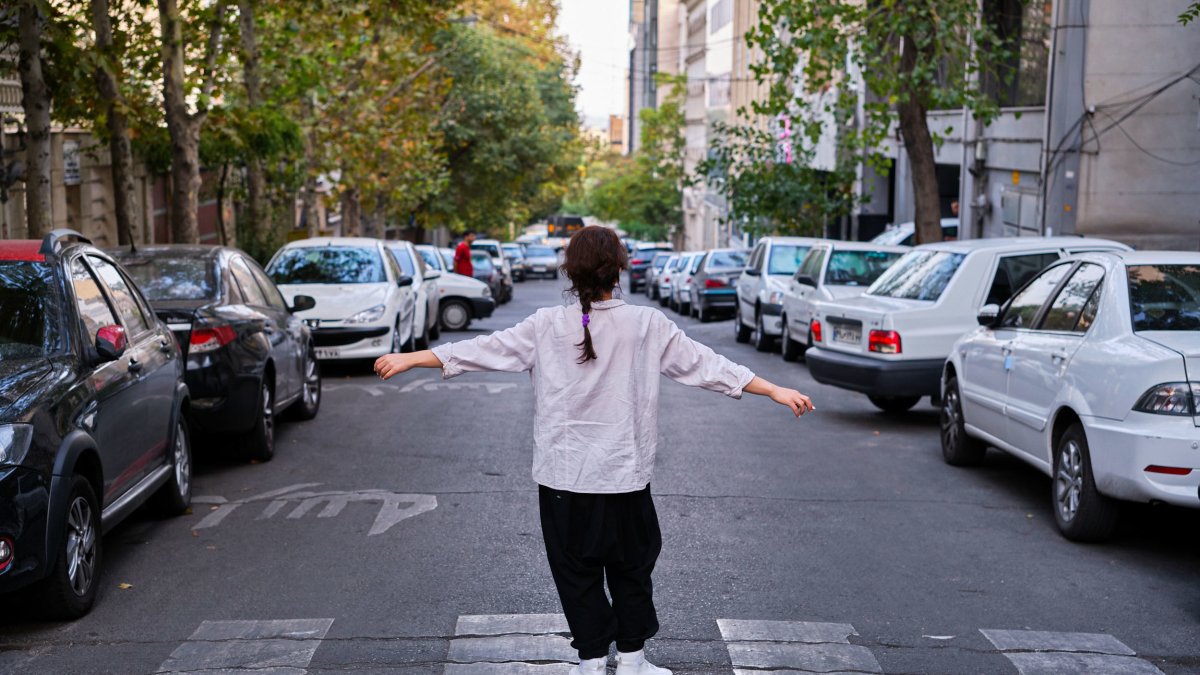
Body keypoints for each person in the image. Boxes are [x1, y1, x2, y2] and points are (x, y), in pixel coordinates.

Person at [375, 226, 814, 675]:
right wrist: (774, 389)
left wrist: (413, 358)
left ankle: (589, 664)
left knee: (576, 575)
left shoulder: (546, 324)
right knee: (632, 570)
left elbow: (483, 349)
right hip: (625, 478)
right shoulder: (646, 325)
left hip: (563, 480)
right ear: (620, 268)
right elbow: (708, 366)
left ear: (570, 271)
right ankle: (631, 663)